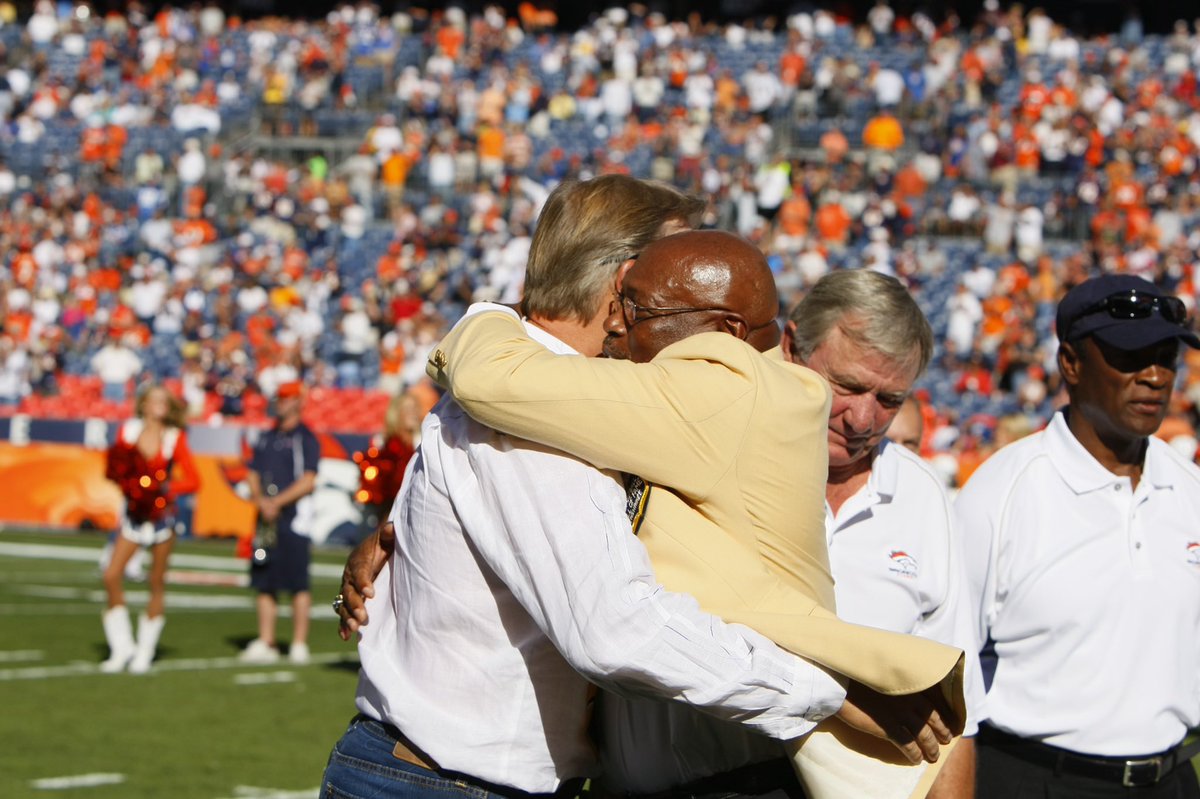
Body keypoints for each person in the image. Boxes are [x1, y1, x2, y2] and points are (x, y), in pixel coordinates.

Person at [324, 178, 954, 799]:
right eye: (665, 270)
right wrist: (829, 694)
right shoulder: (544, 417)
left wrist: (487, 319)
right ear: (622, 286)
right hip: (447, 781)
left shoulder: (607, 398)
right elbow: (613, 629)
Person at [957, 273, 1200, 798]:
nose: (1155, 376)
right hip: (1037, 778)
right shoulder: (1000, 494)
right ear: (1071, 362)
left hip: (1173, 778)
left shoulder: (1191, 490)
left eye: (1166, 356)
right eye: (1131, 357)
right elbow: (947, 670)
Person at [781, 270, 986, 799]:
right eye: (846, 386)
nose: (863, 419)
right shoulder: (721, 457)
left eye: (890, 400)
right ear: (790, 348)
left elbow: (956, 714)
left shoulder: (922, 495)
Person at [101, 384, 200, 674]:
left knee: (156, 581)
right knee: (111, 574)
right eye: (154, 399)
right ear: (143, 404)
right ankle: (121, 647)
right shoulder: (127, 431)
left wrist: (166, 489)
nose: (158, 405)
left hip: (161, 519)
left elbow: (194, 480)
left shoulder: (174, 438)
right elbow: (118, 470)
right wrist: (130, 487)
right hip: (133, 516)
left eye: (163, 401)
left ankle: (145, 650)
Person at [239, 380, 320, 665]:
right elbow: (252, 472)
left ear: (299, 401)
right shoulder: (265, 436)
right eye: (280, 398)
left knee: (298, 583)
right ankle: (267, 639)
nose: (281, 403)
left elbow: (308, 480)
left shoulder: (305, 438)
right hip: (266, 519)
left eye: (287, 398)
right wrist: (261, 499)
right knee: (265, 580)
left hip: (295, 520)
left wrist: (277, 502)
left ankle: (298, 642)